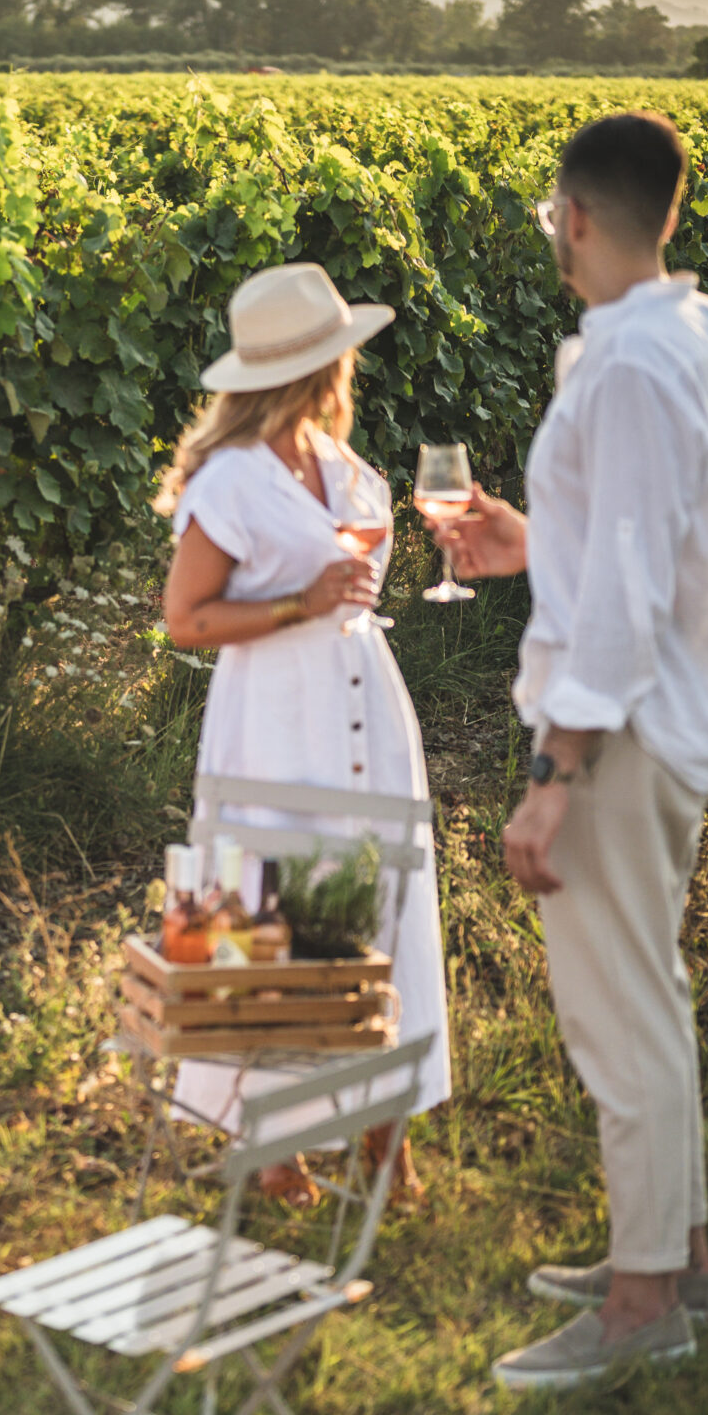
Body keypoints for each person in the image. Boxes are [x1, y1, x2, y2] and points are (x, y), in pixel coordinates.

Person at [446, 112, 708, 1390]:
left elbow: (632, 595)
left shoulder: (632, 363)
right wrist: (537, 540)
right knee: (654, 988)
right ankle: (681, 1256)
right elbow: (690, 534)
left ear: (574, 215)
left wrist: (555, 775)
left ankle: (642, 1308)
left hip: (622, 732)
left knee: (613, 1009)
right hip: (681, 703)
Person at [159, 261, 452, 1202]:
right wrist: (297, 604)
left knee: (381, 909)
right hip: (274, 719)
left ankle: (381, 1139)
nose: (349, 372)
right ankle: (270, 1141)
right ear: (317, 367)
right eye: (341, 358)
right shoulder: (231, 481)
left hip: (363, 700)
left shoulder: (343, 466)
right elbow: (186, 621)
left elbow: (351, 589)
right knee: (274, 914)